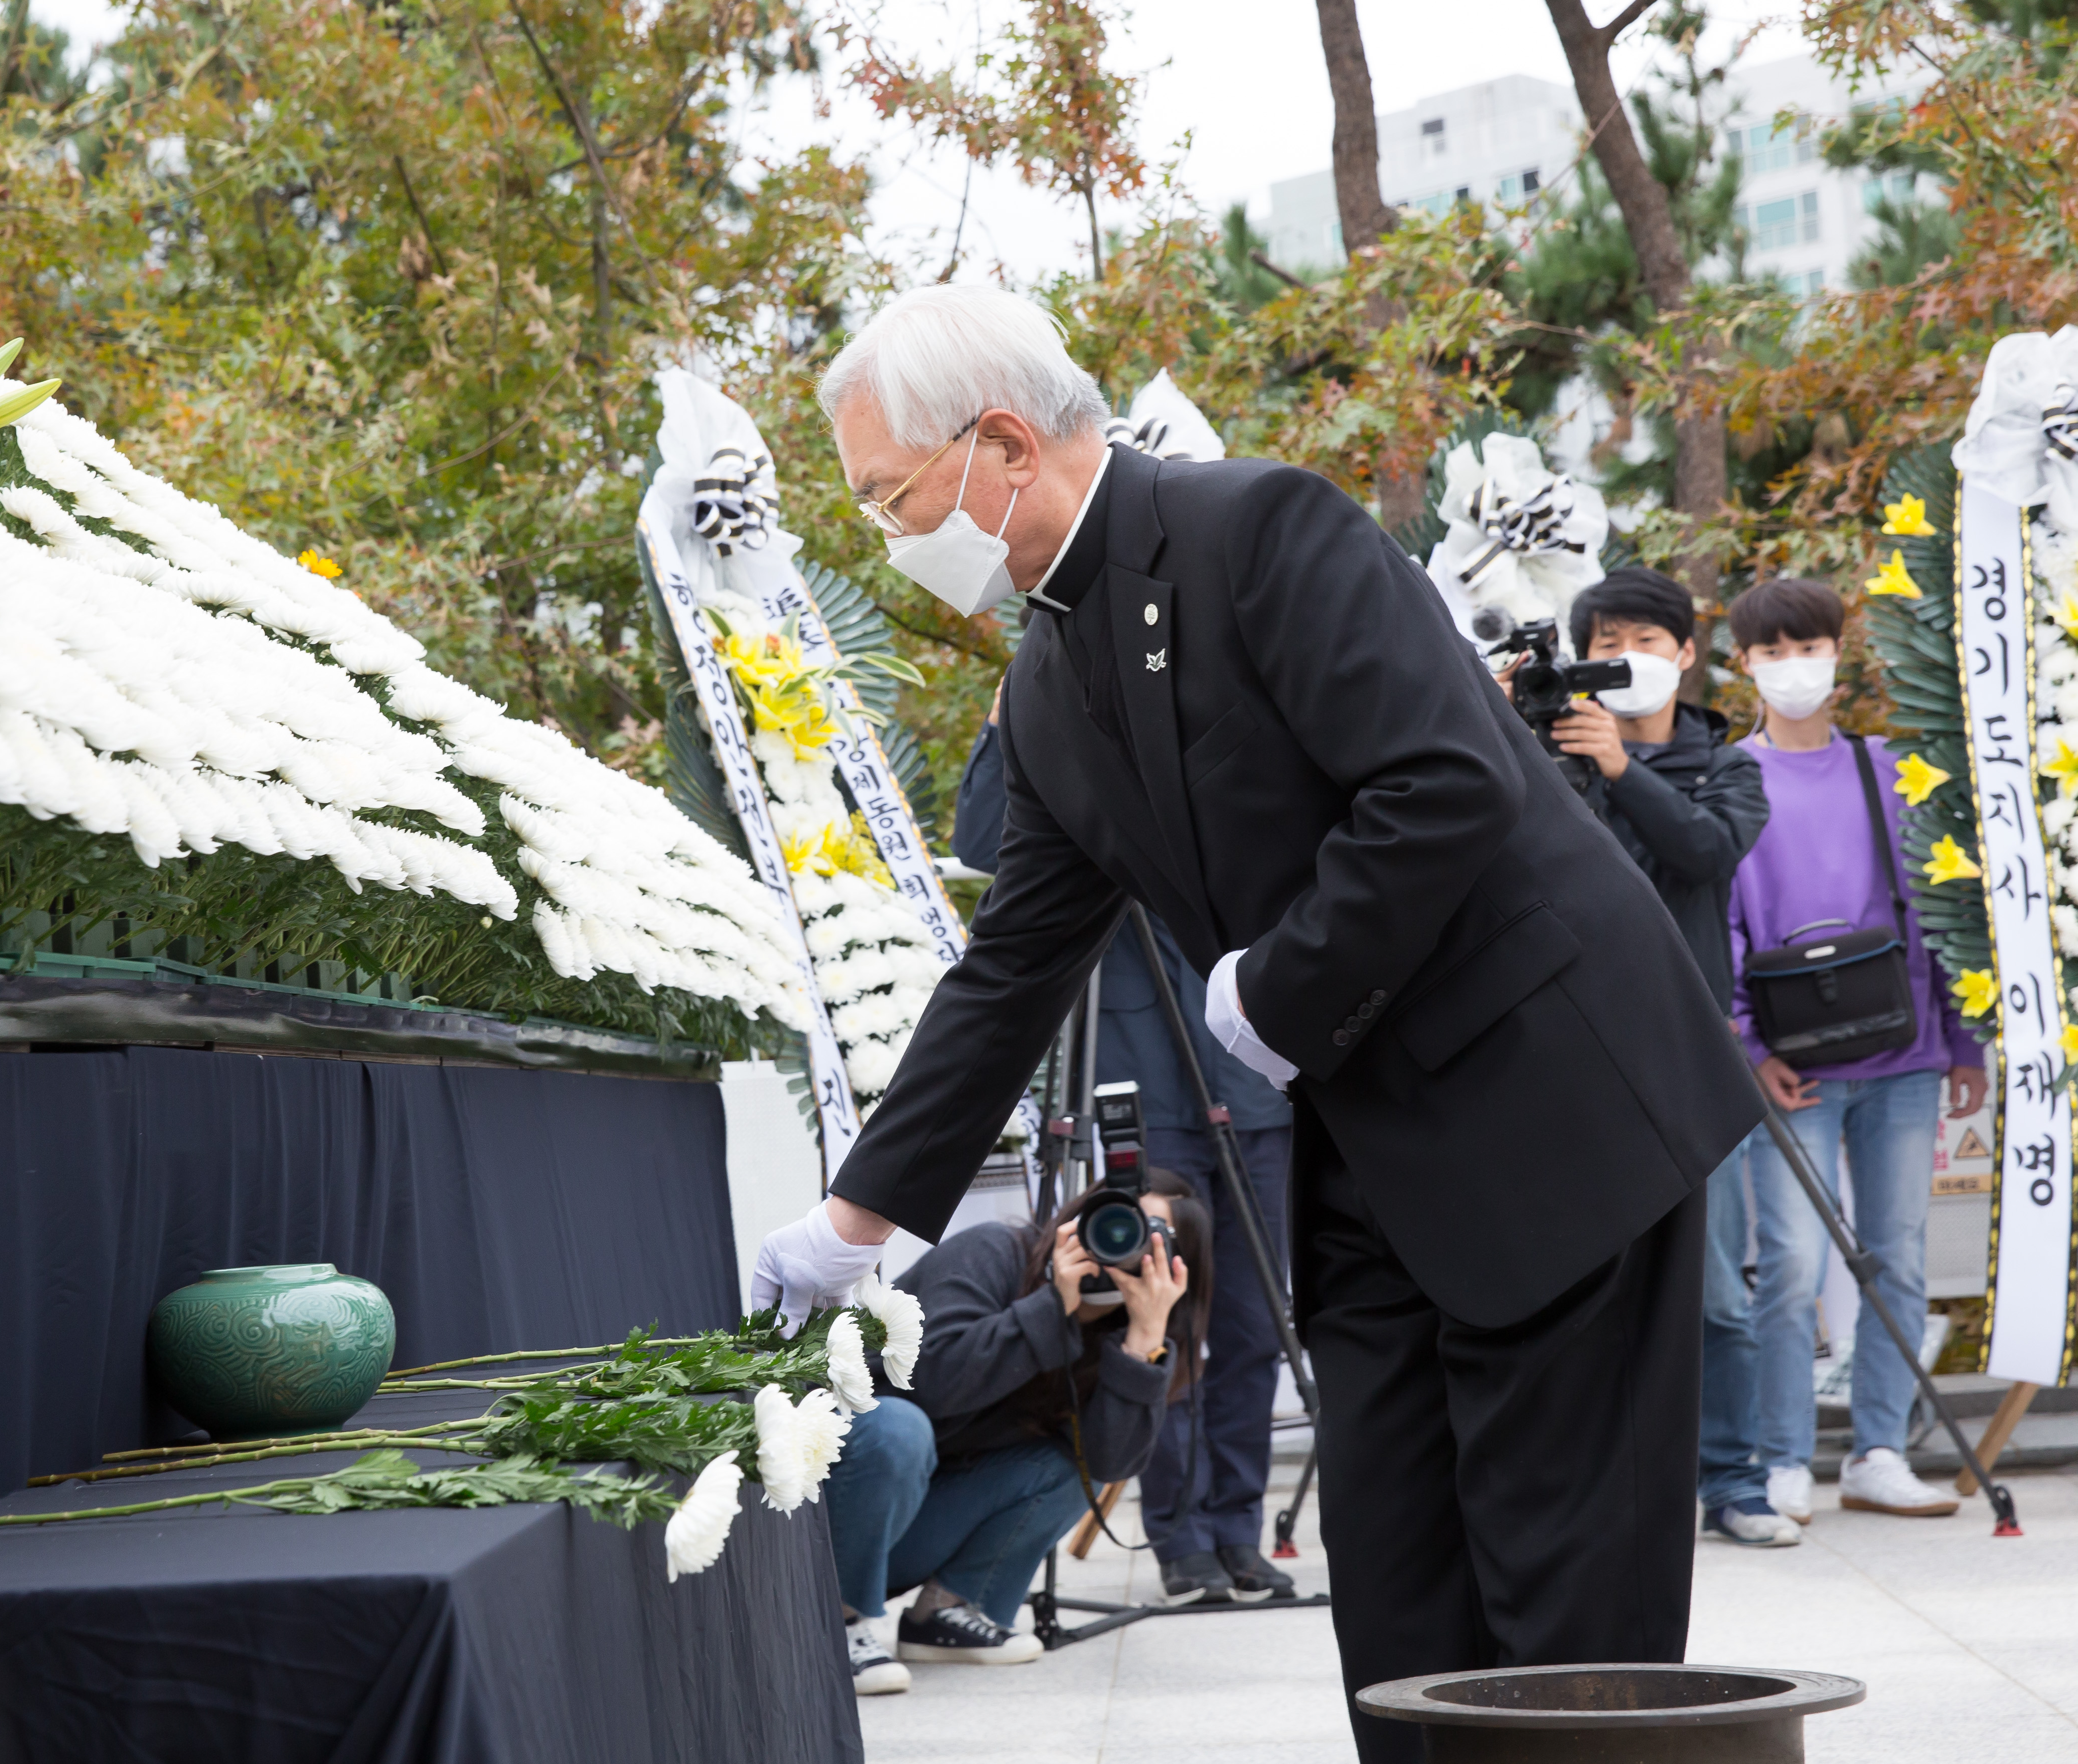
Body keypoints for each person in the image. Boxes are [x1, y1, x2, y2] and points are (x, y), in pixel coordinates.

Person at [749, 282, 1764, 1763]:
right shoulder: (1045, 681)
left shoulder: (1258, 530)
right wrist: (857, 1217)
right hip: (1372, 1155)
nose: (887, 537)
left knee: (1563, 1599)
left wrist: (1271, 985)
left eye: (891, 496)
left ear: (1005, 445)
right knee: (1397, 1579)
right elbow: (1011, 966)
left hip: (1552, 1115)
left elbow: (1447, 783)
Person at [956, 691, 1296, 1605]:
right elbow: (983, 844)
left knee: (1252, 1319)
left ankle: (1237, 1528)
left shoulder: (1245, 747)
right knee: (1156, 1305)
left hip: (1252, 1081)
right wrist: (1006, 721)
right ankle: (1178, 1533)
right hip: (1138, 1083)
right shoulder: (1074, 741)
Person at [1724, 577, 1988, 1525]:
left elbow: (1940, 906)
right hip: (1790, 1063)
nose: (1795, 668)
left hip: (1904, 1053)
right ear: (1742, 663)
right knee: (1789, 1264)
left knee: (1897, 1256)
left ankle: (1878, 1446)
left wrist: (1962, 1042)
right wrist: (1748, 1047)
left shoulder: (1889, 767)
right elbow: (1719, 924)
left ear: (1839, 653)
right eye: (1773, 652)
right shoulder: (1732, 779)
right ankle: (1782, 1453)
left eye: (1810, 647)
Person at [1552, 569, 1784, 1548]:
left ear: (1686, 654)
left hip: (1689, 1053)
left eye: (1650, 639)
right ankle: (1601, 1483)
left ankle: (1732, 1480)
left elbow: (1701, 851)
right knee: (1582, 1278)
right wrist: (1570, 760)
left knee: (1715, 1287)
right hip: (1572, 1056)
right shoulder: (1552, 760)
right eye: (1609, 639)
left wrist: (1619, 773)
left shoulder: (1729, 765)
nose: (1632, 656)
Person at [830, 1174, 1209, 1694]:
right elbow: (929, 1383)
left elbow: (1110, 1462)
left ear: (1178, 1266)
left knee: (1070, 1464)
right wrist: (1056, 1304)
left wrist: (1144, 1341)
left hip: (911, 1523)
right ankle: (837, 1624)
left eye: (1150, 1235)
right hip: (836, 1512)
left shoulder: (1128, 1336)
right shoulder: (992, 1252)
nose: (1122, 1241)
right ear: (1082, 1214)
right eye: (1117, 1219)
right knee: (901, 1427)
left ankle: (949, 1612)